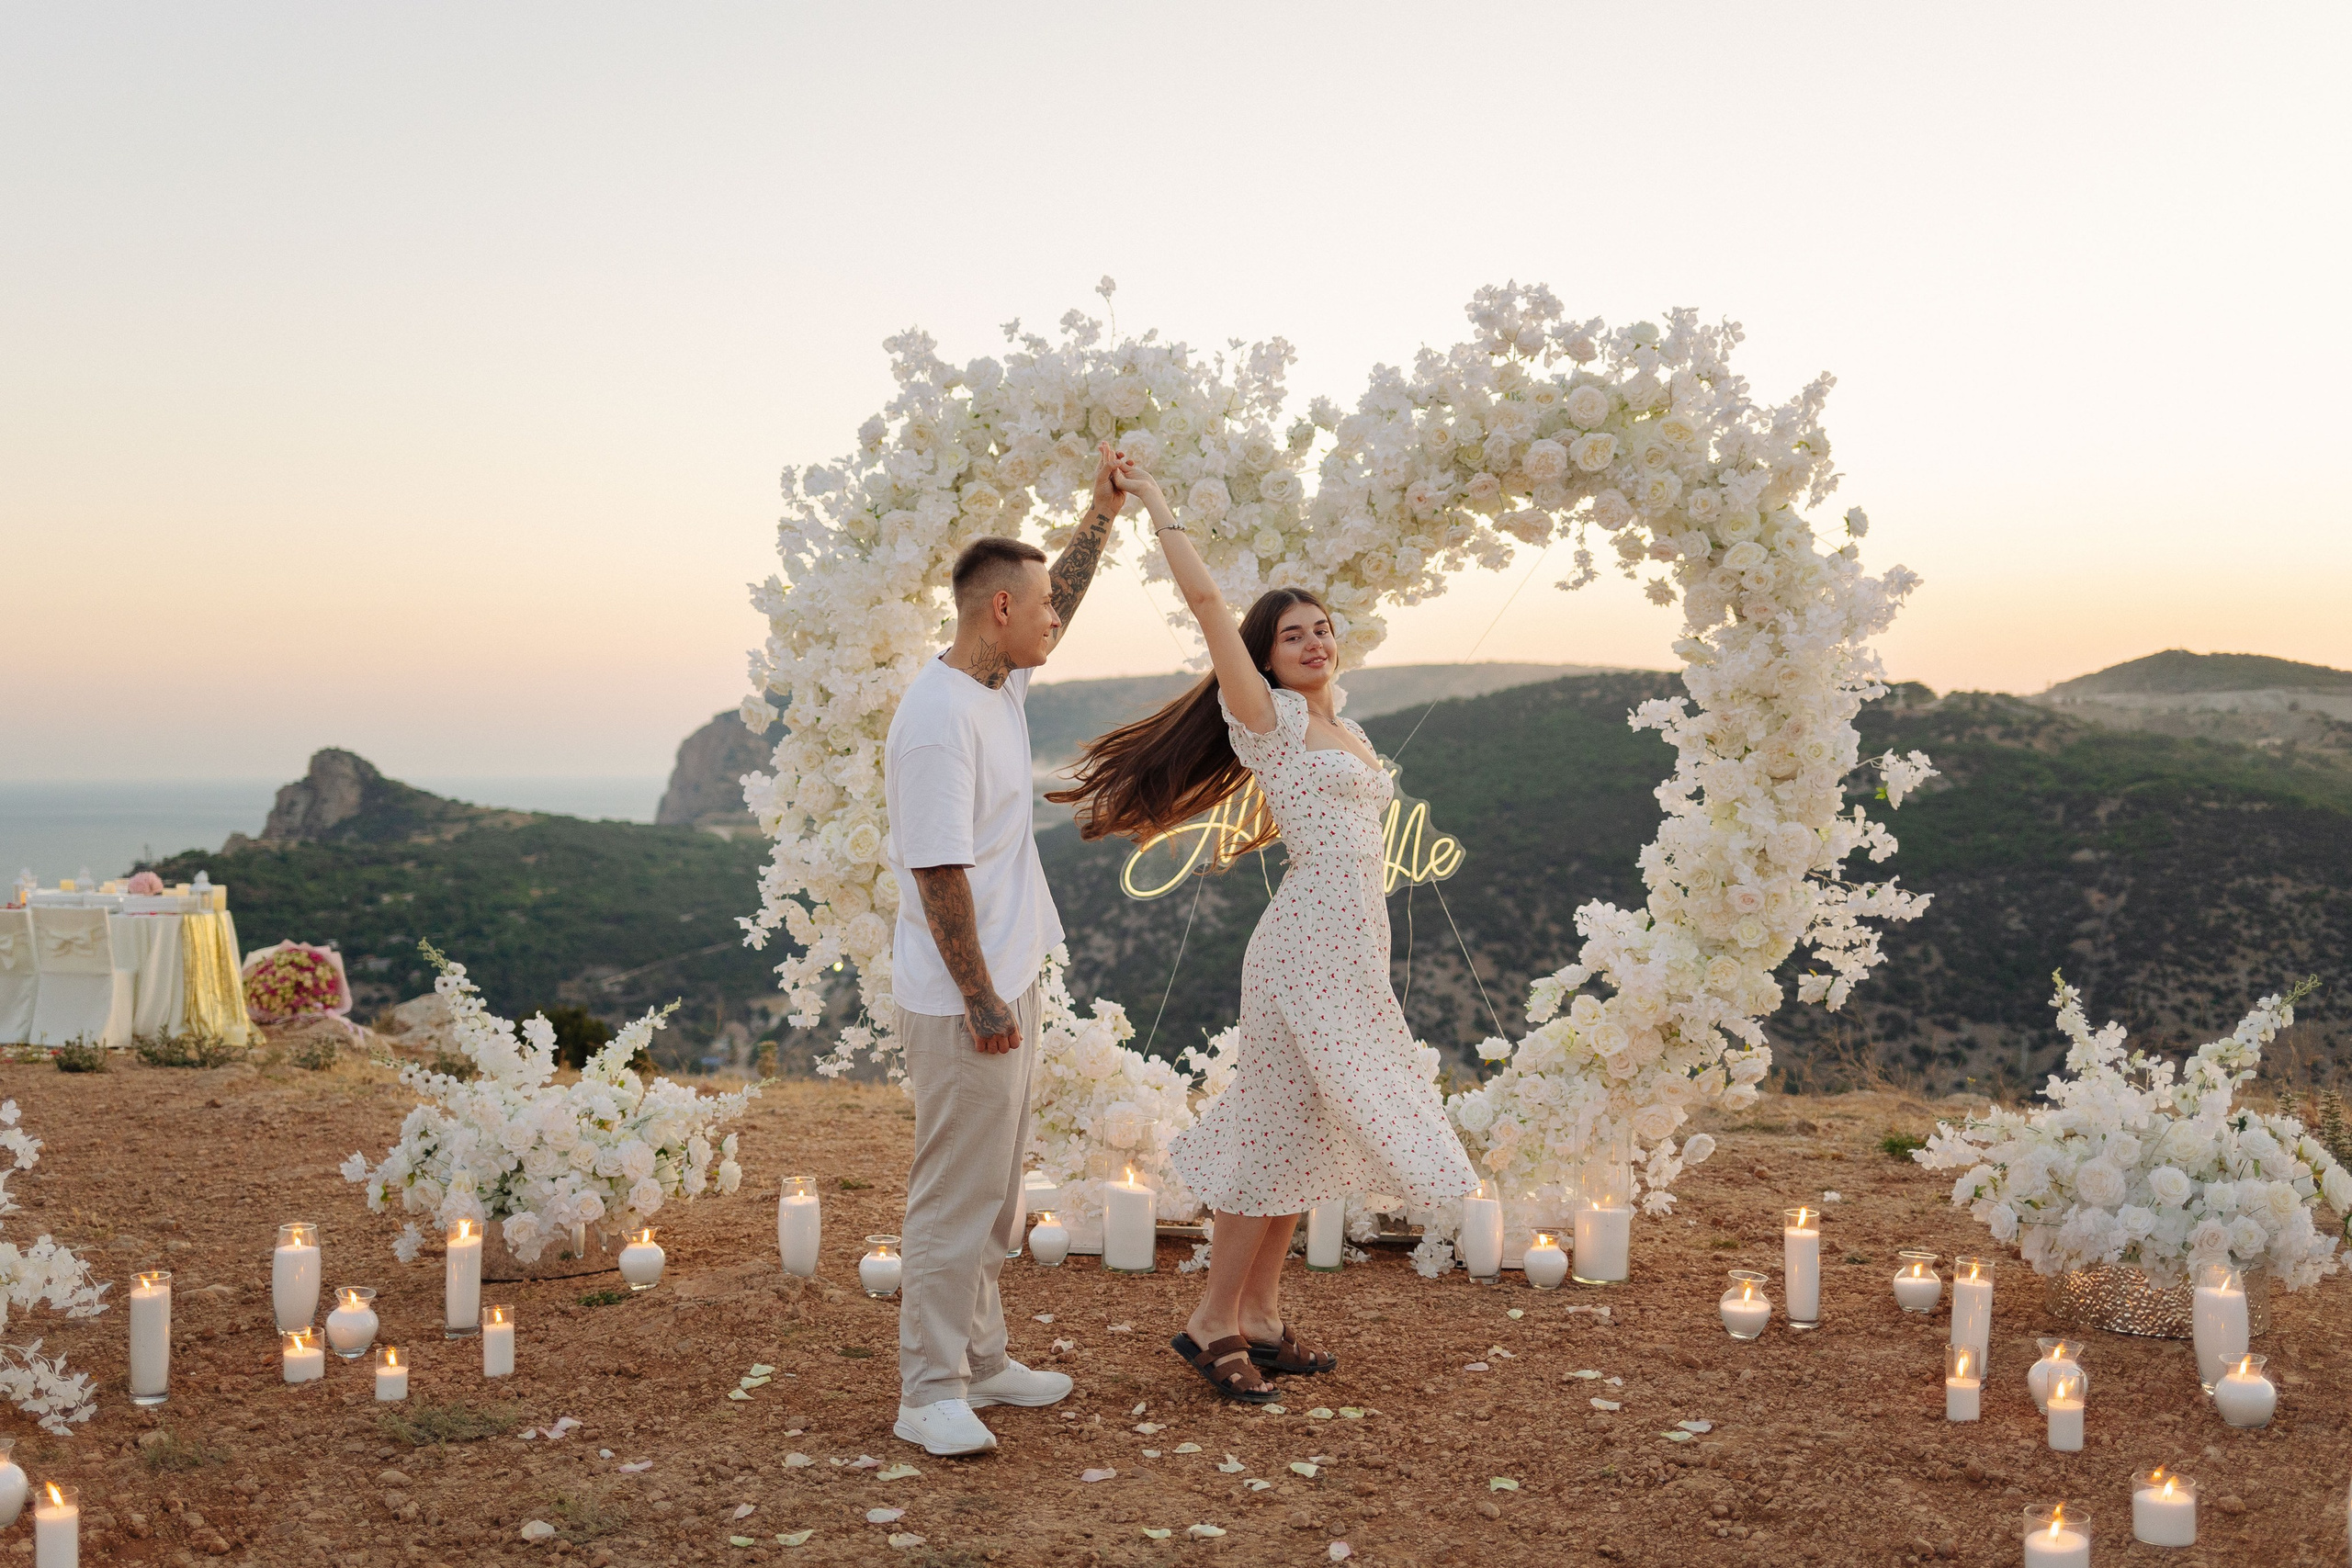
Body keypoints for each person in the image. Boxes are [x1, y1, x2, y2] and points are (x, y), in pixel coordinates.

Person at [1051, 457, 1479, 1403]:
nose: (1315, 642)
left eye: (1323, 629)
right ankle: (1213, 1319)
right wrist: (1155, 504)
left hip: (1353, 944)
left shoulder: (1349, 729)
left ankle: (1262, 1316)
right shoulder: (1270, 721)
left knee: (1306, 1126)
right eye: (1293, 635)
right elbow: (1208, 605)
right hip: (1300, 950)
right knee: (1271, 1125)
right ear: (1267, 655)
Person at [883, 445, 1126, 1455]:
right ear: (997, 614)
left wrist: (1100, 513)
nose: (1054, 624)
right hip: (961, 998)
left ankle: (981, 1364)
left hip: (1006, 979)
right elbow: (938, 874)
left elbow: (1055, 582)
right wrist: (982, 1000)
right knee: (953, 1198)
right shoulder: (940, 720)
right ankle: (926, 1392)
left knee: (994, 1195)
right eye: (1040, 614)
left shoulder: (995, 685)